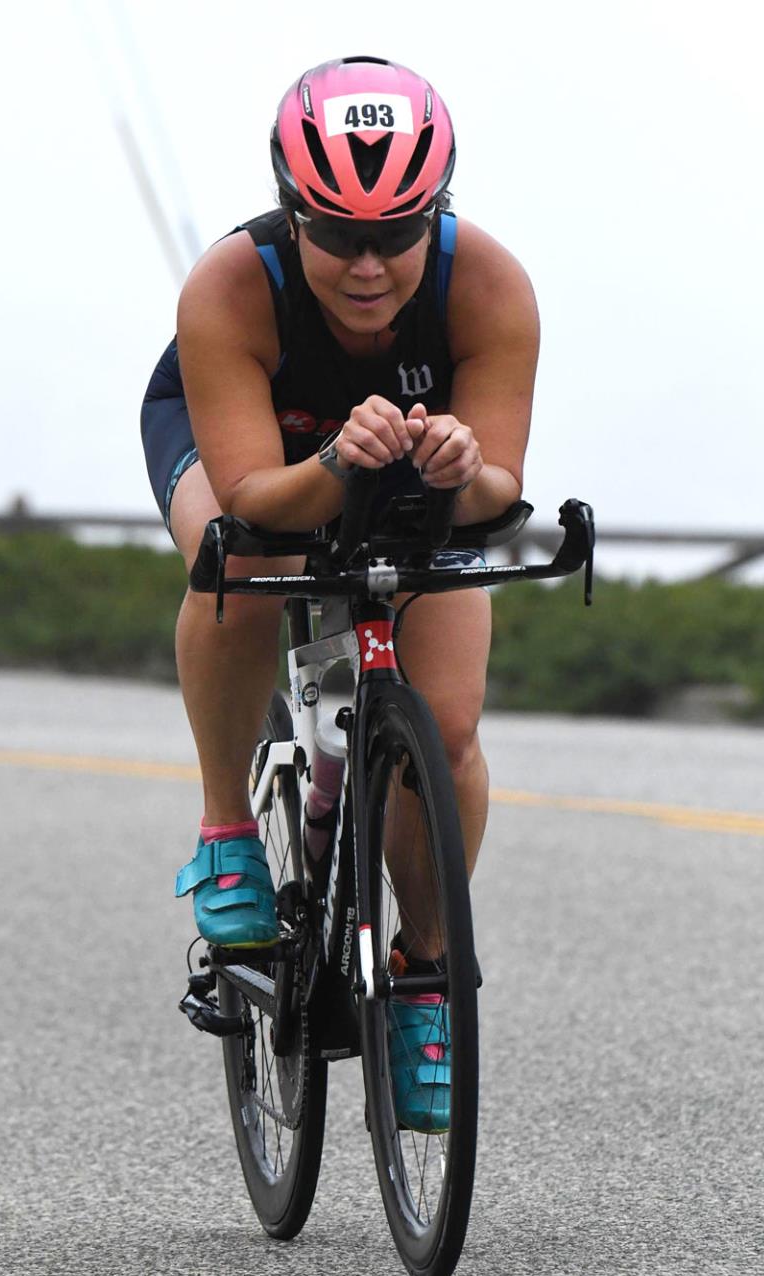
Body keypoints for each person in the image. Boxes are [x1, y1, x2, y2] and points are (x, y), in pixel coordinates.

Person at [141, 55, 539, 1131]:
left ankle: (425, 976)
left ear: (436, 216)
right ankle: (229, 826)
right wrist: (341, 468)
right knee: (244, 567)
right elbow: (261, 497)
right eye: (335, 234)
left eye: (398, 234)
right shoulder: (230, 286)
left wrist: (461, 464)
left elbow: (501, 491)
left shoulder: (490, 286)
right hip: (262, 460)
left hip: (408, 474)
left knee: (447, 728)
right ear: (291, 213)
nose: (368, 264)